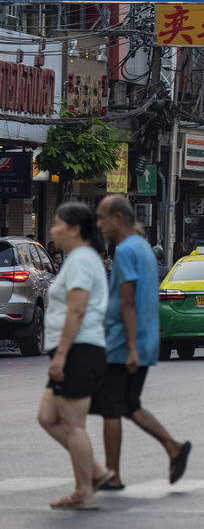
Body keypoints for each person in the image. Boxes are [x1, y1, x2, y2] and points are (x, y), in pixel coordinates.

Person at [89, 196, 191, 492]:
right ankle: (173, 447)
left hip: (125, 344)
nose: (99, 224)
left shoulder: (126, 251)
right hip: (142, 339)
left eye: (102, 217)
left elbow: (127, 302)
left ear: (118, 217)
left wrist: (130, 348)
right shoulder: (143, 247)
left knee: (111, 407)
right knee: (129, 404)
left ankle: (113, 475)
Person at [36, 203, 109, 510]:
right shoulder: (80, 260)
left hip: (79, 349)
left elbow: (77, 310)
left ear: (75, 229)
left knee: (73, 424)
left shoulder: (81, 261)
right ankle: (95, 472)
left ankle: (85, 490)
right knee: (47, 416)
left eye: (57, 225)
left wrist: (61, 356)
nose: (53, 231)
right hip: (75, 349)